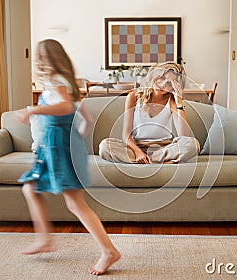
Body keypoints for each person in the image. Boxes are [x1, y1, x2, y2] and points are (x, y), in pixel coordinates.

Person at [15, 39, 120, 275]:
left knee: (75, 203)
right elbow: (85, 119)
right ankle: (45, 239)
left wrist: (33, 109)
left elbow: (65, 108)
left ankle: (108, 251)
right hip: (52, 146)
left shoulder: (56, 82)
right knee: (30, 188)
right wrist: (76, 140)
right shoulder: (63, 82)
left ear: (45, 60)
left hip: (58, 146)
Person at [99, 61, 200, 164]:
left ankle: (146, 162)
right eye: (162, 77)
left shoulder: (172, 101)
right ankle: (159, 162)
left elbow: (184, 135)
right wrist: (138, 152)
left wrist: (179, 100)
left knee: (192, 144)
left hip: (164, 149)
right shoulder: (133, 97)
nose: (163, 84)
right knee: (105, 146)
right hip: (137, 148)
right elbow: (126, 134)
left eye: (170, 82)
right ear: (154, 75)